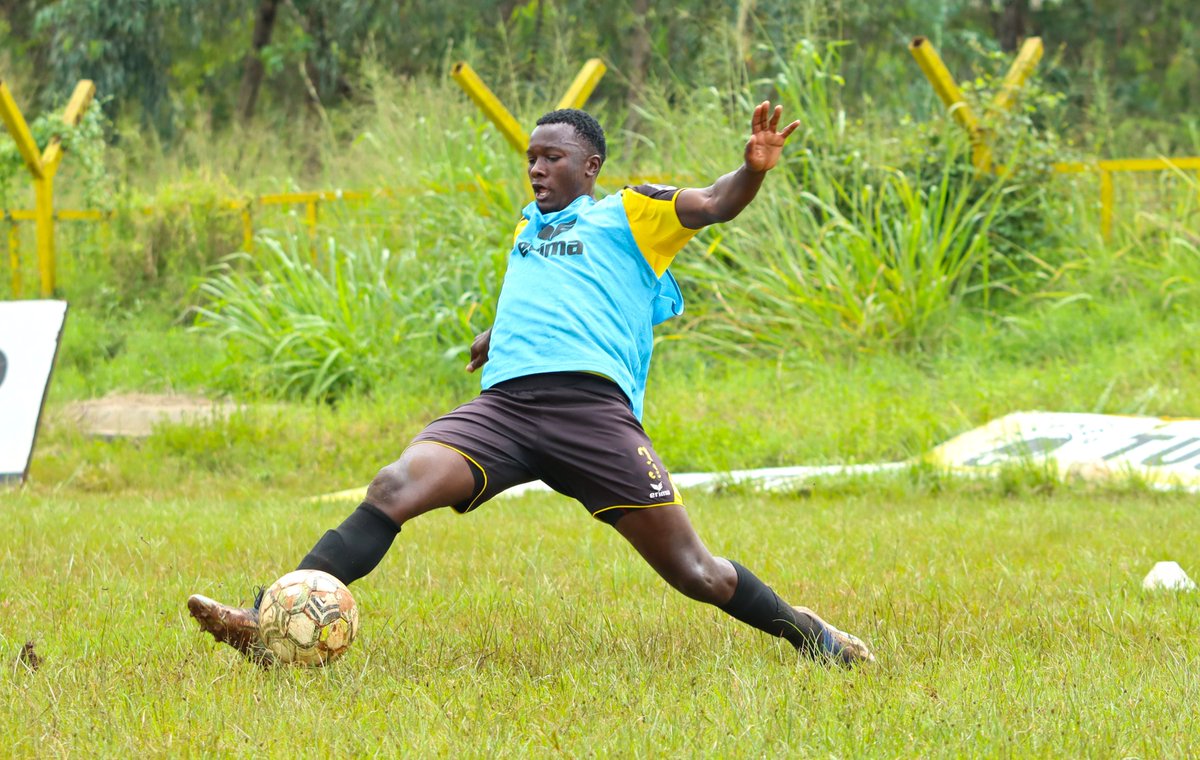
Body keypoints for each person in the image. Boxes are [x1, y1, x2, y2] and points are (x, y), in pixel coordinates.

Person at [188, 101, 874, 667]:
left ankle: (816, 638)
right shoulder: (528, 228)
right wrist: (496, 336)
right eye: (531, 158)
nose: (538, 169)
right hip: (505, 409)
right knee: (393, 487)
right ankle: (268, 625)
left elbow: (717, 201)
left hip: (593, 417)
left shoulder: (632, 213)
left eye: (552, 157)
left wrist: (751, 170)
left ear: (591, 165)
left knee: (699, 574)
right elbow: (549, 293)